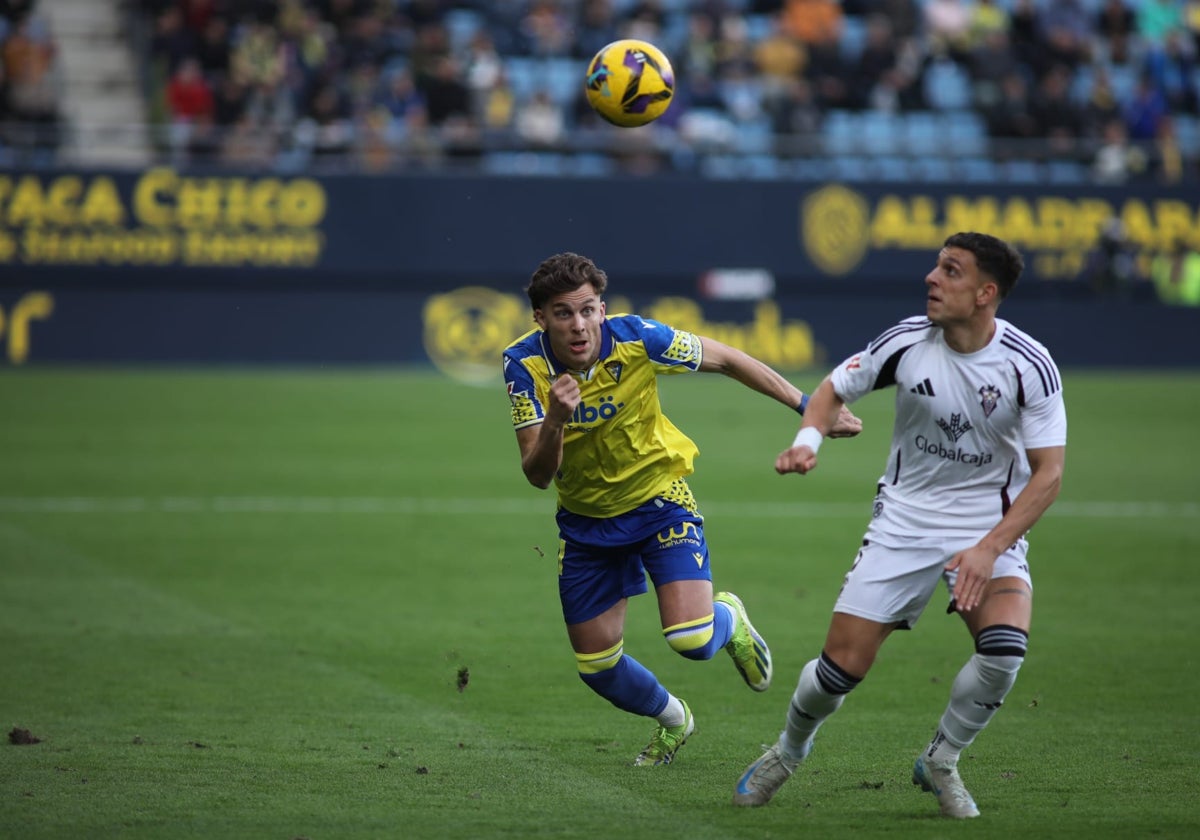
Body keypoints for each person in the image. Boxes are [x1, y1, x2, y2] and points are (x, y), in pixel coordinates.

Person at [732, 232, 1067, 818]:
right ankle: (787, 751)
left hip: (988, 527)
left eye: (951, 272)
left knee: (1004, 650)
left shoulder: (1028, 365)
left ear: (987, 293)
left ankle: (941, 760)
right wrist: (808, 440)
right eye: (937, 267)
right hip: (904, 523)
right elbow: (835, 387)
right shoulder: (907, 343)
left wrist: (989, 548)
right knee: (838, 672)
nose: (931, 279)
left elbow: (1049, 475)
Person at [502, 252, 862, 766]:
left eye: (587, 310)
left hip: (659, 499)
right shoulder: (523, 365)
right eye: (562, 313)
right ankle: (674, 721)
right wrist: (557, 419)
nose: (578, 325)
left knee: (691, 638)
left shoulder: (637, 337)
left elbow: (730, 360)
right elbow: (537, 475)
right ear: (540, 318)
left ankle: (728, 618)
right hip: (586, 523)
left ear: (602, 309)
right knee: (597, 667)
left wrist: (809, 407)